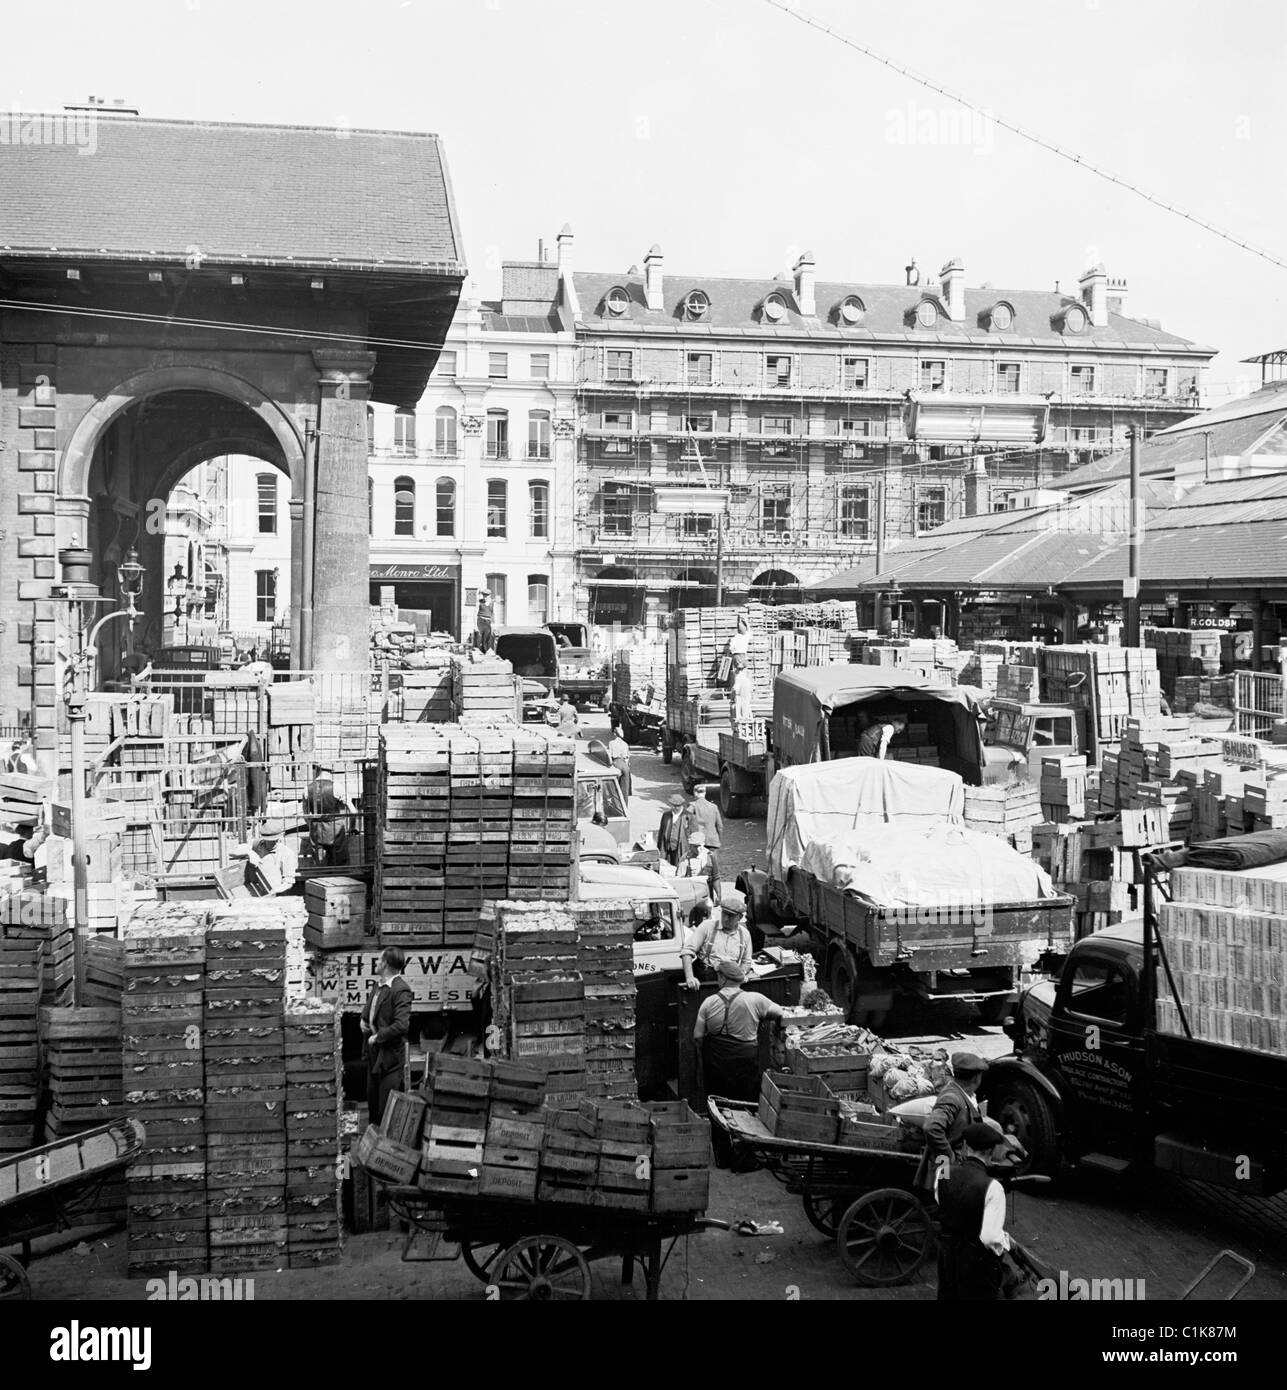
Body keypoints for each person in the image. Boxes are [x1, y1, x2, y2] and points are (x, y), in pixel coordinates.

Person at [694, 959, 784, 1165]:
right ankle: (745, 1158)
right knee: (744, 1105)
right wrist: (763, 1019)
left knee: (717, 1105)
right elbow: (779, 1012)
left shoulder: (708, 1003)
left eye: (718, 976)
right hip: (745, 1061)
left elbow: (698, 1036)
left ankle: (723, 1157)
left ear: (724, 978)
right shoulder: (755, 1000)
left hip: (716, 1061)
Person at [934, 1121, 1014, 1301]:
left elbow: (943, 1201)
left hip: (947, 1256)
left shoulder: (943, 1172)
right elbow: (989, 1238)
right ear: (991, 1152)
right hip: (975, 1263)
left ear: (965, 1146)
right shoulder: (993, 1187)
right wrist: (1005, 1241)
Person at [915, 1051, 988, 1192]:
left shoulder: (964, 1094)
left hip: (955, 1162)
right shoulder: (953, 1098)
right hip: (946, 1166)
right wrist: (949, 1156)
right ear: (976, 1078)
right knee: (947, 1197)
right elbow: (931, 1128)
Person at [362, 947, 413, 1127]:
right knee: (373, 1105)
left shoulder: (401, 990)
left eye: (379, 960)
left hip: (390, 1059)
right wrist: (363, 1020)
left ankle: (385, 1151)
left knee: (385, 1110)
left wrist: (377, 1037)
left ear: (385, 964)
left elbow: (402, 1025)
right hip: (375, 1057)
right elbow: (369, 1010)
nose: (376, 962)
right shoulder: (378, 986)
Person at [681, 889, 753, 988]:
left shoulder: (744, 934)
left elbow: (746, 961)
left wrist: (742, 973)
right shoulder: (707, 926)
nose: (726, 918)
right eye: (724, 913)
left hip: (730, 980)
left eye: (731, 916)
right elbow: (687, 952)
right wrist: (690, 977)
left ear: (740, 917)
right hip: (706, 976)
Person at [681, 786, 724, 892]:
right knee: (714, 871)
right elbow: (720, 826)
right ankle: (716, 895)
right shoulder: (713, 806)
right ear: (705, 793)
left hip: (698, 842)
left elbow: (685, 823)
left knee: (698, 870)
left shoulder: (692, 806)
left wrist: (688, 837)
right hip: (712, 842)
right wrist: (719, 839)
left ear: (695, 793)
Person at [304, 769, 350, 866]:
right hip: (335, 829)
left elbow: (306, 814)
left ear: (317, 771)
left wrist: (312, 827)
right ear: (330, 772)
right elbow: (352, 810)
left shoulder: (307, 789)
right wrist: (352, 827)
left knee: (319, 863)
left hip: (317, 830)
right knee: (339, 863)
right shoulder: (336, 786)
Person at [245, 820, 300, 895]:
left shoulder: (287, 853)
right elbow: (235, 851)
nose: (271, 843)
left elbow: (288, 882)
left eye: (274, 840)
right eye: (268, 840)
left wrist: (275, 890)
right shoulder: (257, 844)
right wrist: (251, 853)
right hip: (255, 889)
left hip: (275, 893)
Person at [658, 792, 687, 868]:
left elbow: (693, 834)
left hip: (681, 849)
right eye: (672, 805)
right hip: (668, 849)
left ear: (681, 805)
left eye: (677, 806)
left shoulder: (689, 816)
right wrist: (659, 850)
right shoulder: (666, 815)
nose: (674, 808)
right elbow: (661, 833)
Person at [607, 723, 632, 802]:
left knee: (613, 788)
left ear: (615, 734)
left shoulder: (611, 743)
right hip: (625, 765)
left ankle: (615, 805)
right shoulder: (625, 744)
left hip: (616, 763)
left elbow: (609, 757)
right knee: (624, 790)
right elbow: (628, 758)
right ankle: (625, 808)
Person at [730, 656, 755, 726]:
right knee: (743, 708)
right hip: (742, 696)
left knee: (742, 708)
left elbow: (735, 688)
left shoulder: (740, 675)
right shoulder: (740, 675)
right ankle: (744, 719)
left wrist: (732, 697)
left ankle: (743, 720)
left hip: (742, 695)